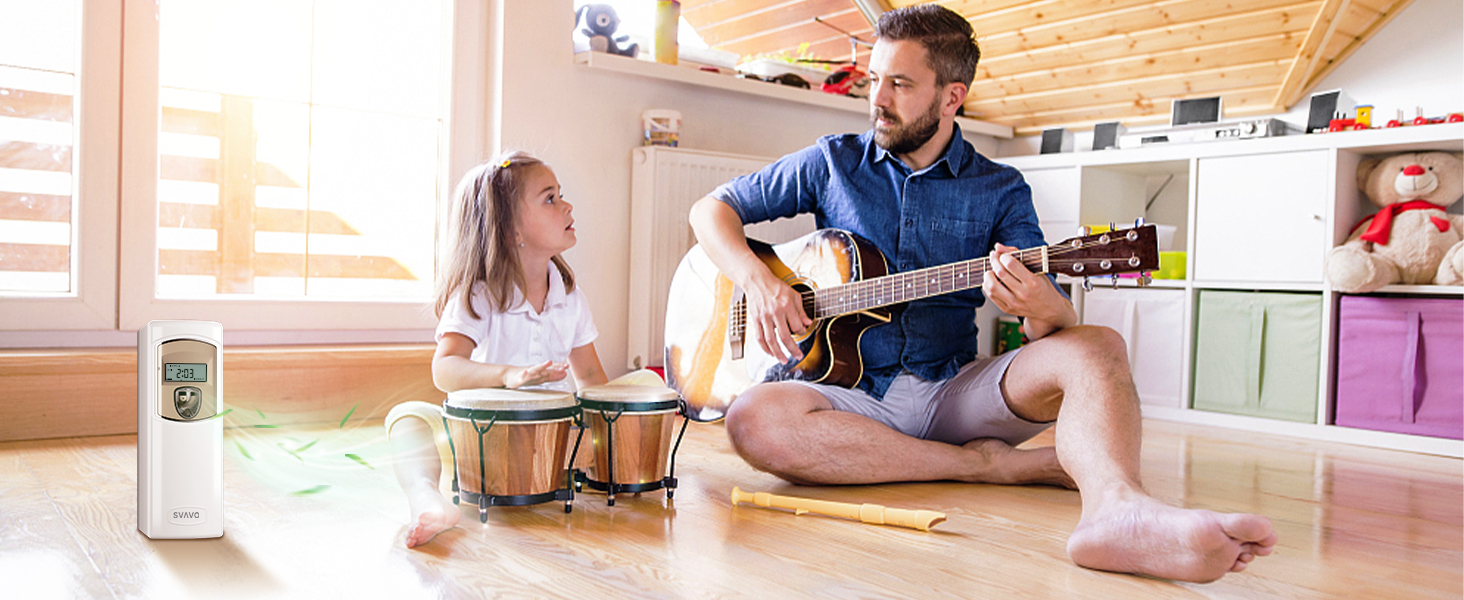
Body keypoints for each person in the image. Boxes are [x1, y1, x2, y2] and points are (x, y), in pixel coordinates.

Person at [686, 3, 1277, 583]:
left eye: (899, 84)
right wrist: (760, 282)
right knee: (752, 421)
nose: (877, 99)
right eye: (875, 79)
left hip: (953, 391)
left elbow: (1051, 328)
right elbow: (710, 211)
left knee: (1098, 346)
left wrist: (1041, 307)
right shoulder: (832, 162)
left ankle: (1118, 513)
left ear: (952, 97)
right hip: (848, 398)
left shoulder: (1000, 188)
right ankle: (985, 465)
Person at [384, 151, 610, 548]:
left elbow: (590, 376)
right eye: (550, 198)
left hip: (551, 448)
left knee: (639, 387)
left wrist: (610, 437)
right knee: (407, 418)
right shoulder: (479, 294)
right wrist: (508, 375)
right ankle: (426, 498)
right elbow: (445, 368)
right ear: (510, 231)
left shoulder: (569, 296)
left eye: (560, 195)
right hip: (481, 449)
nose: (567, 206)